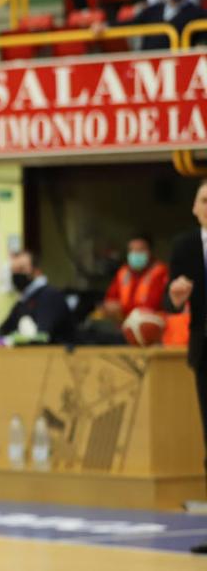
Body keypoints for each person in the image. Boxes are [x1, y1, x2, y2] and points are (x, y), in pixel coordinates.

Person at [164, 179, 207, 554]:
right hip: (205, 350)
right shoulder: (185, 245)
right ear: (195, 207)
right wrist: (175, 297)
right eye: (205, 200)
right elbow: (171, 298)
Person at [0, 250, 76, 344]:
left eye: (21, 269)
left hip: (57, 356)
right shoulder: (23, 301)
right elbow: (2, 330)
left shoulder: (49, 296)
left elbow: (42, 337)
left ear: (36, 271)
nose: (16, 274)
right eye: (14, 271)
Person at [102, 234, 169, 320]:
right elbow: (110, 299)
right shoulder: (123, 271)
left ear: (150, 252)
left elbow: (152, 306)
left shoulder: (160, 272)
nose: (135, 253)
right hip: (123, 324)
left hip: (149, 326)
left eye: (140, 250)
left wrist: (122, 309)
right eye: (132, 250)